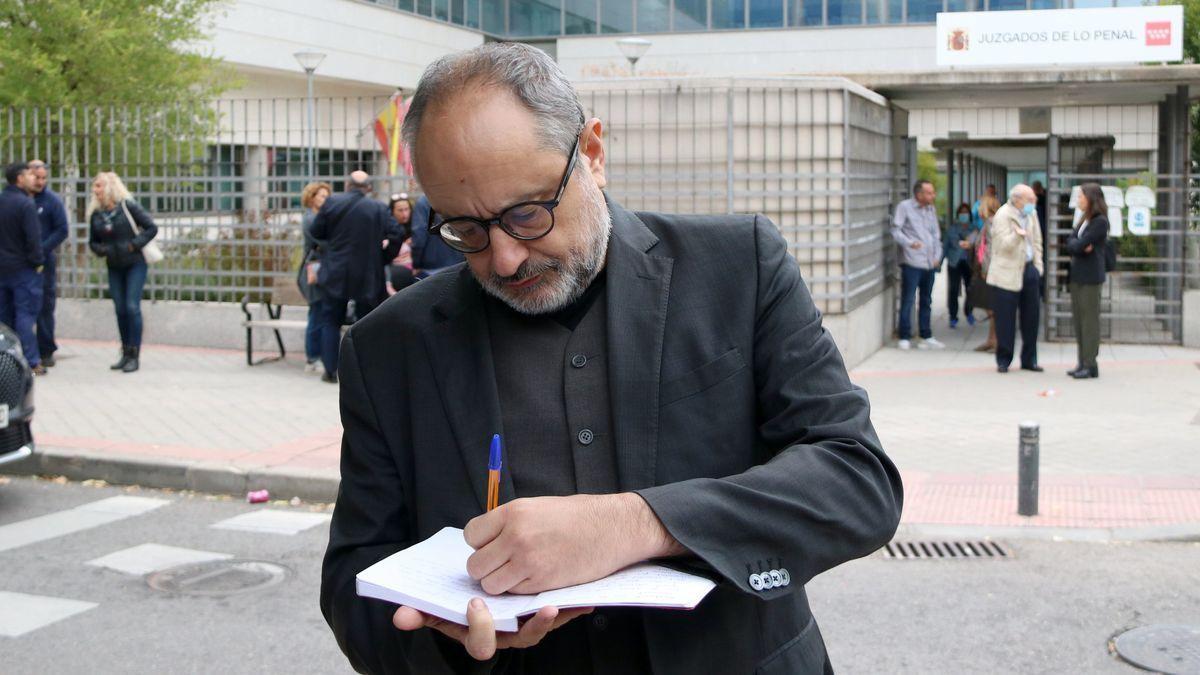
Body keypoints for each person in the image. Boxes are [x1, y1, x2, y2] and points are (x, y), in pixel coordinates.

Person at [320, 42, 902, 675]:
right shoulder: (388, 347)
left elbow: (855, 481)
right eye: (465, 230)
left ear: (591, 154)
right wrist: (446, 638)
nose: (505, 259)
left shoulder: (741, 269)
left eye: (527, 214)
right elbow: (354, 582)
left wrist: (636, 524)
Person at [308, 171, 402, 383]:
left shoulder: (332, 203)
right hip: (368, 274)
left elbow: (315, 230)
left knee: (330, 320)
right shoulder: (377, 208)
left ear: (348, 185)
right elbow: (396, 234)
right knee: (366, 322)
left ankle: (330, 371)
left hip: (335, 272)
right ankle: (364, 371)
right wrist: (383, 258)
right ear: (368, 187)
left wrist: (331, 246)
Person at [87, 172, 157, 373]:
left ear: (109, 187)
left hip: (135, 263)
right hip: (114, 266)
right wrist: (102, 250)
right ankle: (125, 352)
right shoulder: (97, 214)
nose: (95, 190)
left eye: (99, 185)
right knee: (120, 309)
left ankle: (135, 354)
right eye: (95, 186)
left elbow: (151, 227)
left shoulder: (128, 206)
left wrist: (133, 245)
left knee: (132, 306)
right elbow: (93, 242)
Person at [986, 184, 1043, 373]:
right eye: (1030, 200)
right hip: (1006, 272)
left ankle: (1029, 359)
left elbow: (1037, 242)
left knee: (1031, 318)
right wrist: (1017, 236)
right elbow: (1002, 246)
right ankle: (1004, 359)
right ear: (1018, 199)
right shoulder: (1003, 215)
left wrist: (1038, 267)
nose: (1033, 203)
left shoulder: (1031, 215)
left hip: (1028, 269)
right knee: (1005, 319)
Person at [0, 162, 45, 375]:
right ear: (19, 178)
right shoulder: (25, 204)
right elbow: (33, 239)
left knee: (4, 318)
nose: (34, 177)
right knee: (25, 315)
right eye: (29, 173)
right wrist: (38, 262)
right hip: (23, 270)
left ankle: (6, 362)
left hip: (2, 268)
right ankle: (30, 362)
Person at [891, 179, 945, 350]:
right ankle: (904, 335)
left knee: (926, 300)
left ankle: (926, 334)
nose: (933, 195)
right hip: (912, 261)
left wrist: (938, 255)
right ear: (919, 194)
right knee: (908, 298)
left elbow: (936, 235)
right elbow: (895, 230)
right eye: (929, 192)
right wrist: (909, 243)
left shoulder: (931, 209)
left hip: (929, 263)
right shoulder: (905, 207)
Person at [25, 160, 68, 368]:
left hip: (44, 262)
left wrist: (41, 250)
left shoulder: (51, 201)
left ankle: (46, 350)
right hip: (19, 262)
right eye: (36, 177)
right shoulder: (18, 199)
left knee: (45, 306)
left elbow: (62, 229)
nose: (40, 182)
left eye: (43, 178)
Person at [1065, 183, 1108, 379]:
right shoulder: (1084, 219)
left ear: (1091, 199)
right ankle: (1082, 361)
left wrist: (1079, 245)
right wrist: (1079, 246)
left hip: (1090, 278)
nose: (1078, 200)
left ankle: (1090, 364)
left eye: (1081, 197)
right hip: (1077, 276)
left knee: (1089, 321)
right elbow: (1071, 243)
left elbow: (1080, 243)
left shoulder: (1100, 222)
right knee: (1079, 321)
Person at [298, 181, 332, 374]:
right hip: (314, 271)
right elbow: (323, 242)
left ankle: (314, 357)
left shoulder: (317, 217)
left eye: (327, 196)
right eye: (322, 196)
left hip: (317, 269)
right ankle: (312, 358)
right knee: (317, 312)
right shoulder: (311, 219)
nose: (325, 200)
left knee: (318, 312)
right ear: (312, 198)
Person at [408, 193, 465, 278]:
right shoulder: (459, 198)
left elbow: (419, 237)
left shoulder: (423, 202)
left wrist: (416, 264)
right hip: (460, 265)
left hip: (431, 268)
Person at [970, 190, 1000, 353]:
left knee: (992, 307)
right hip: (988, 269)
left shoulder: (991, 223)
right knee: (991, 306)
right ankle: (991, 339)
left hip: (989, 270)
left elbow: (991, 249)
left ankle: (995, 340)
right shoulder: (988, 223)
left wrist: (986, 270)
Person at [943, 203, 974, 329]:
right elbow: (946, 246)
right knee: (954, 289)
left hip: (969, 263)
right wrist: (939, 263)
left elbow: (979, 245)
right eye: (962, 213)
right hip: (954, 263)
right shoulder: (952, 229)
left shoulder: (974, 229)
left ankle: (969, 311)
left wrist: (971, 245)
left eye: (966, 212)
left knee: (970, 289)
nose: (964, 215)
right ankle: (953, 316)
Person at [386, 192, 415, 293]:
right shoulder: (387, 229)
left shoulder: (417, 228)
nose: (404, 214)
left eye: (407, 209)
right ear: (392, 211)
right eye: (400, 210)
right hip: (394, 272)